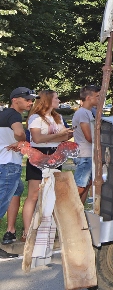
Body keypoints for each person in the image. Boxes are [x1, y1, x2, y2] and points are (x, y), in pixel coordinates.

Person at [24, 91, 73, 238]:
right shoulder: (35, 118)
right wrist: (59, 135)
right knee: (34, 194)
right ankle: (27, 230)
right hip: (38, 155)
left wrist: (63, 135)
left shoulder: (57, 117)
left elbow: (66, 136)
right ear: (48, 100)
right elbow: (38, 139)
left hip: (55, 156)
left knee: (52, 193)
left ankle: (48, 228)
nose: (58, 100)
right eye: (56, 98)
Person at [0, 88, 35, 256]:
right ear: (15, 100)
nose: (30, 102)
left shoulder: (4, 114)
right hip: (9, 165)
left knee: (18, 189)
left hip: (3, 163)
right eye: (27, 99)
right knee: (1, 203)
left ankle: (11, 229)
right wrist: (23, 141)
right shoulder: (14, 115)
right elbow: (19, 132)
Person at [71, 85, 100, 203]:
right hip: (84, 154)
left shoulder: (88, 112)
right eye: (97, 96)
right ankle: (69, 211)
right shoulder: (82, 113)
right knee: (80, 186)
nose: (99, 99)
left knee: (86, 186)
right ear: (88, 97)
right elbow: (89, 136)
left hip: (89, 154)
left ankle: (79, 212)